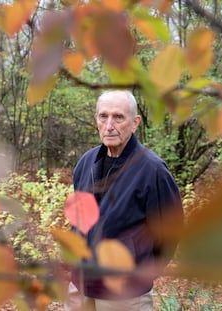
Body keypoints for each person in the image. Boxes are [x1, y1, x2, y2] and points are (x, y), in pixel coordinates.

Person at [65, 90, 183, 311]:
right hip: (79, 287)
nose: (109, 125)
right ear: (96, 120)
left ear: (135, 122)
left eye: (118, 117)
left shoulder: (152, 170)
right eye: (103, 116)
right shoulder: (85, 163)